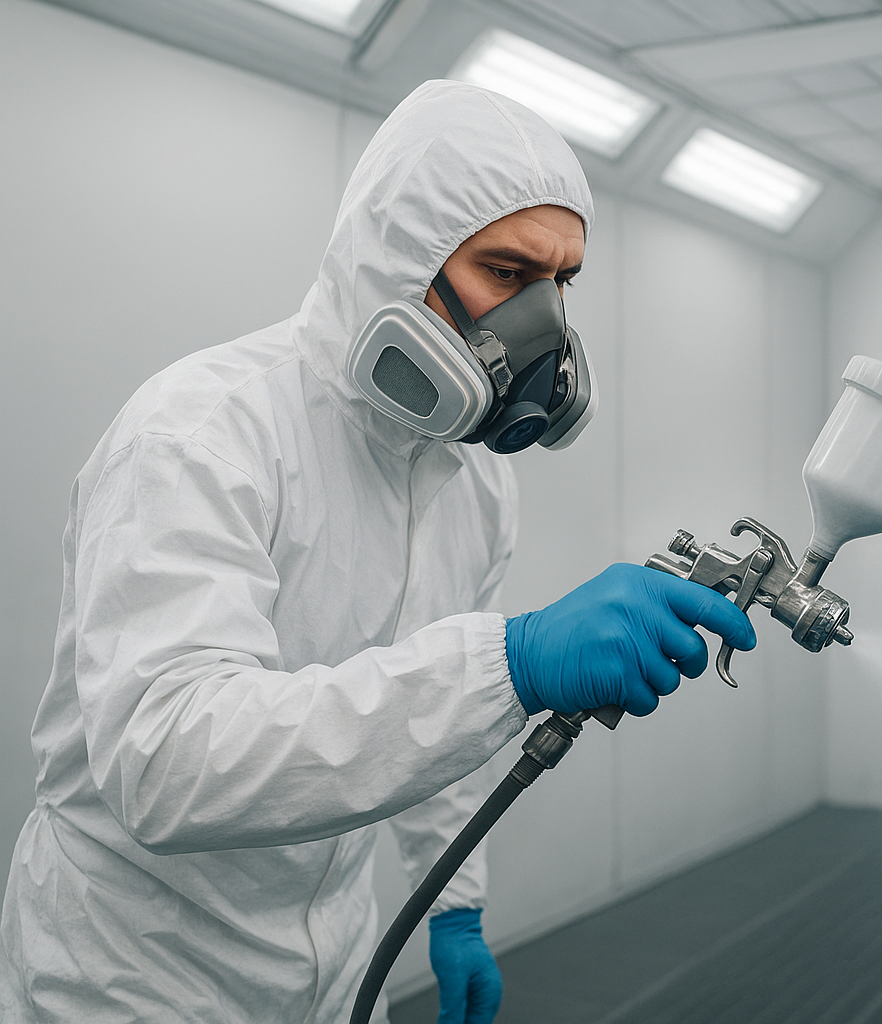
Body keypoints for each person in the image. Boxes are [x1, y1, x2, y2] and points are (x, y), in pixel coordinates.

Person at [0, 80, 754, 1024]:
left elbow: (424, 729)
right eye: (507, 272)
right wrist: (510, 663)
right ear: (399, 261)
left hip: (334, 966)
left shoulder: (473, 482)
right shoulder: (200, 437)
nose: (544, 326)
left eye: (561, 283)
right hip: (133, 977)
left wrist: (454, 904)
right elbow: (166, 764)